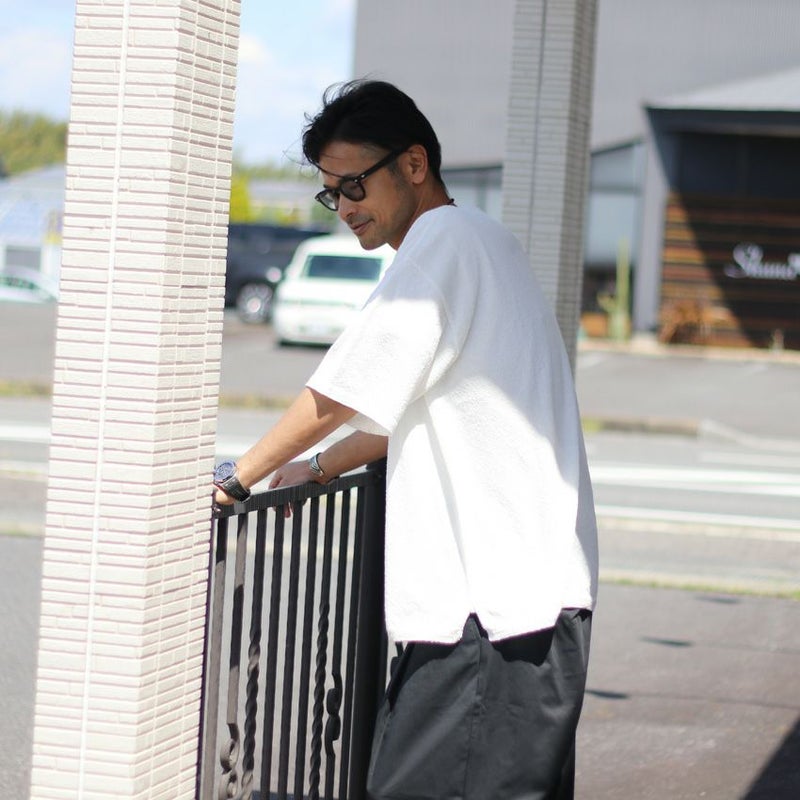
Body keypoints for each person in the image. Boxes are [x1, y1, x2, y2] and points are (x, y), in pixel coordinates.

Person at [214, 79, 599, 800]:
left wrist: (239, 477)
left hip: (489, 619)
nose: (345, 207)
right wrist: (320, 467)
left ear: (414, 164)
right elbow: (417, 407)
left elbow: (340, 391)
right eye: (332, 193)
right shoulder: (487, 240)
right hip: (528, 611)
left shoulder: (439, 245)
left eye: (355, 184)